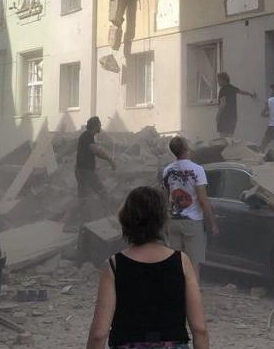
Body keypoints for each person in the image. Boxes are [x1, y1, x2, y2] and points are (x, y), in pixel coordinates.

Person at [85, 186, 209, 349]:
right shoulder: (181, 261)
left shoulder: (114, 265)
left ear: (126, 220)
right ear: (162, 221)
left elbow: (98, 334)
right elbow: (200, 329)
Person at [161, 136, 218, 270]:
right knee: (193, 266)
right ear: (187, 148)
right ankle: (192, 285)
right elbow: (203, 200)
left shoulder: (167, 170)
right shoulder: (197, 170)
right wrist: (212, 224)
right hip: (193, 223)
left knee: (176, 265)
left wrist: (165, 222)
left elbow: (165, 199)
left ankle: (177, 284)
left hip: (173, 222)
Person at [75, 116, 116, 213]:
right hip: (86, 171)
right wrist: (110, 160)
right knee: (101, 191)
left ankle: (83, 215)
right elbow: (96, 151)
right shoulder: (87, 137)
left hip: (81, 170)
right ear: (95, 126)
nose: (100, 126)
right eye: (99, 124)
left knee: (83, 195)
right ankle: (109, 213)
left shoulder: (87, 136)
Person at [215, 72, 256, 138]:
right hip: (233, 117)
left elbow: (223, 104)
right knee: (230, 138)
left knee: (223, 139)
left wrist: (218, 116)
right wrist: (251, 94)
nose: (217, 82)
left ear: (223, 80)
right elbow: (242, 92)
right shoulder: (232, 88)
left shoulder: (223, 90)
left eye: (218, 80)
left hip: (224, 118)